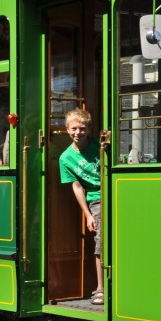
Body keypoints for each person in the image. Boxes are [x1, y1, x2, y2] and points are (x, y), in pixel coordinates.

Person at [60, 109, 109, 306]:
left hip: (113, 192)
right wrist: (88, 215)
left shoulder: (101, 145)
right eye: (74, 129)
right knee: (100, 241)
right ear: (67, 130)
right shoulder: (66, 158)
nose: (77, 132)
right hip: (96, 199)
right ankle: (100, 288)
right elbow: (77, 186)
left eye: (82, 128)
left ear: (89, 129)